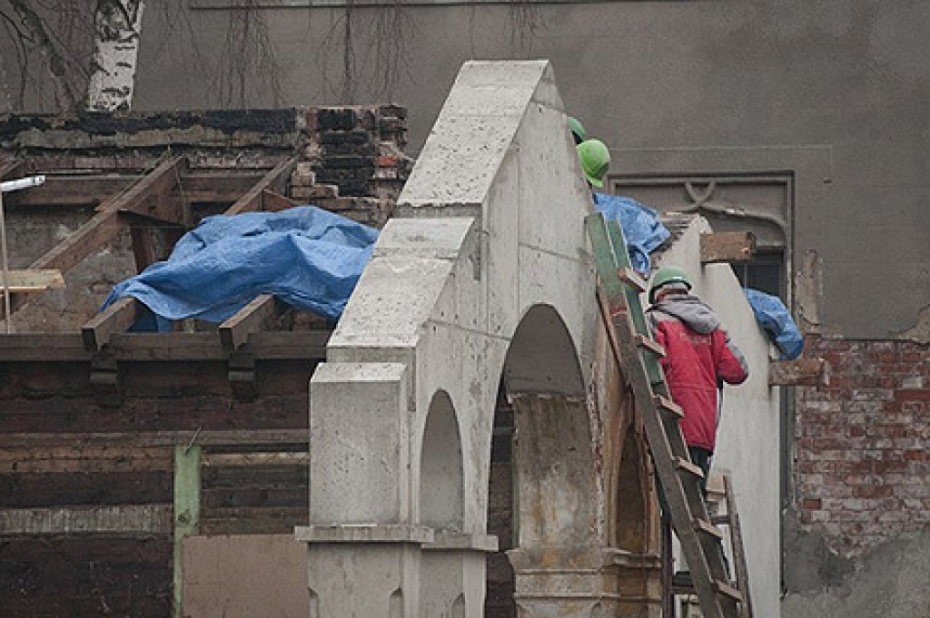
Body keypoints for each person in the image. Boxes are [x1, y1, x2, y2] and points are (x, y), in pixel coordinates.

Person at [646, 266, 749, 494]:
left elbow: (652, 366)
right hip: (703, 429)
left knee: (668, 501)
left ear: (659, 294)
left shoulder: (656, 319)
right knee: (694, 502)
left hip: (671, 422)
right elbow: (737, 371)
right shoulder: (713, 326)